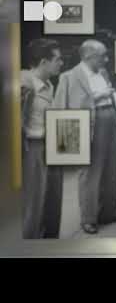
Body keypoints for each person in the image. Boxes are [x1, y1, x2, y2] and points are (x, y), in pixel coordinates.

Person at [53, 40, 116, 234]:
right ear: (88, 56)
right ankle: (88, 218)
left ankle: (108, 212)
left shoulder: (103, 73)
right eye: (102, 55)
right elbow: (60, 107)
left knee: (111, 168)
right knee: (89, 172)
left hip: (109, 120)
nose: (106, 59)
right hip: (89, 125)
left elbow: (111, 98)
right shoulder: (69, 77)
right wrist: (64, 143)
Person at [21, 39, 64, 239]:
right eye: (57, 59)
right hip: (33, 148)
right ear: (43, 62)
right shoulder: (23, 83)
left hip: (52, 146)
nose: (61, 63)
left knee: (53, 202)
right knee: (34, 203)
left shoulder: (49, 85)